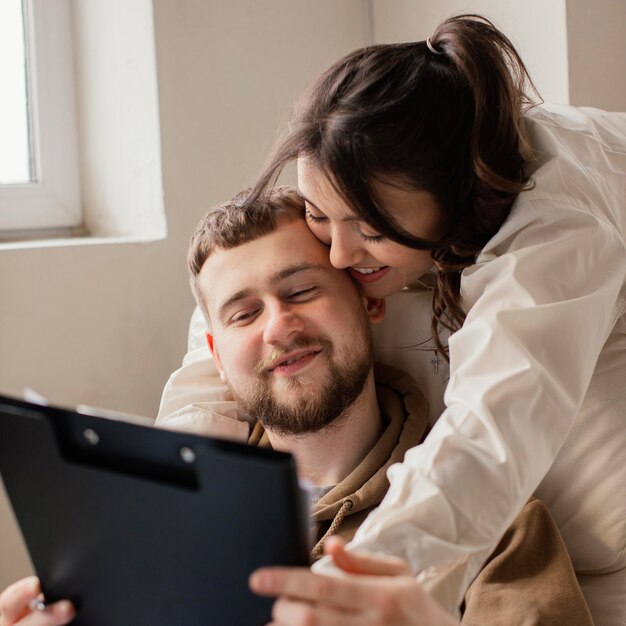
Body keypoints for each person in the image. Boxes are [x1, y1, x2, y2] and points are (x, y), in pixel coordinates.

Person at [156, 13, 626, 624]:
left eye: (372, 232)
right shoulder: (352, 166)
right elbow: (218, 327)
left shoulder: (556, 229)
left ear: (458, 207)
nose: (339, 256)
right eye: (321, 215)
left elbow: (493, 434)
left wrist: (344, 588)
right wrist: (165, 508)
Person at [0, 188, 593, 626]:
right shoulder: (152, 521)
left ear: (369, 304)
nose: (279, 326)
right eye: (244, 313)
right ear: (216, 353)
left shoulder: (493, 520)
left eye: (302, 290)